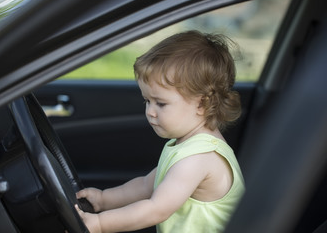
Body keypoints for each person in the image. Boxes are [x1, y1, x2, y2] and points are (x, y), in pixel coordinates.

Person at [75, 30, 245, 233]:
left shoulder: (199, 157)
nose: (150, 112)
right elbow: (146, 185)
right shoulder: (186, 146)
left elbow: (156, 209)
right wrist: (104, 200)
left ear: (202, 103)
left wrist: (100, 224)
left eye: (161, 103)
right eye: (147, 101)